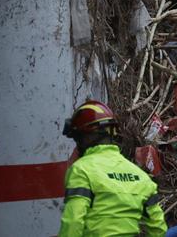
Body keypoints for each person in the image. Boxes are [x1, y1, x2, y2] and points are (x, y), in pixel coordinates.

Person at [59, 100, 167, 237]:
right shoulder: (141, 177)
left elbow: (73, 221)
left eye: (78, 139)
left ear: (87, 137)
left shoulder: (81, 170)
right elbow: (158, 229)